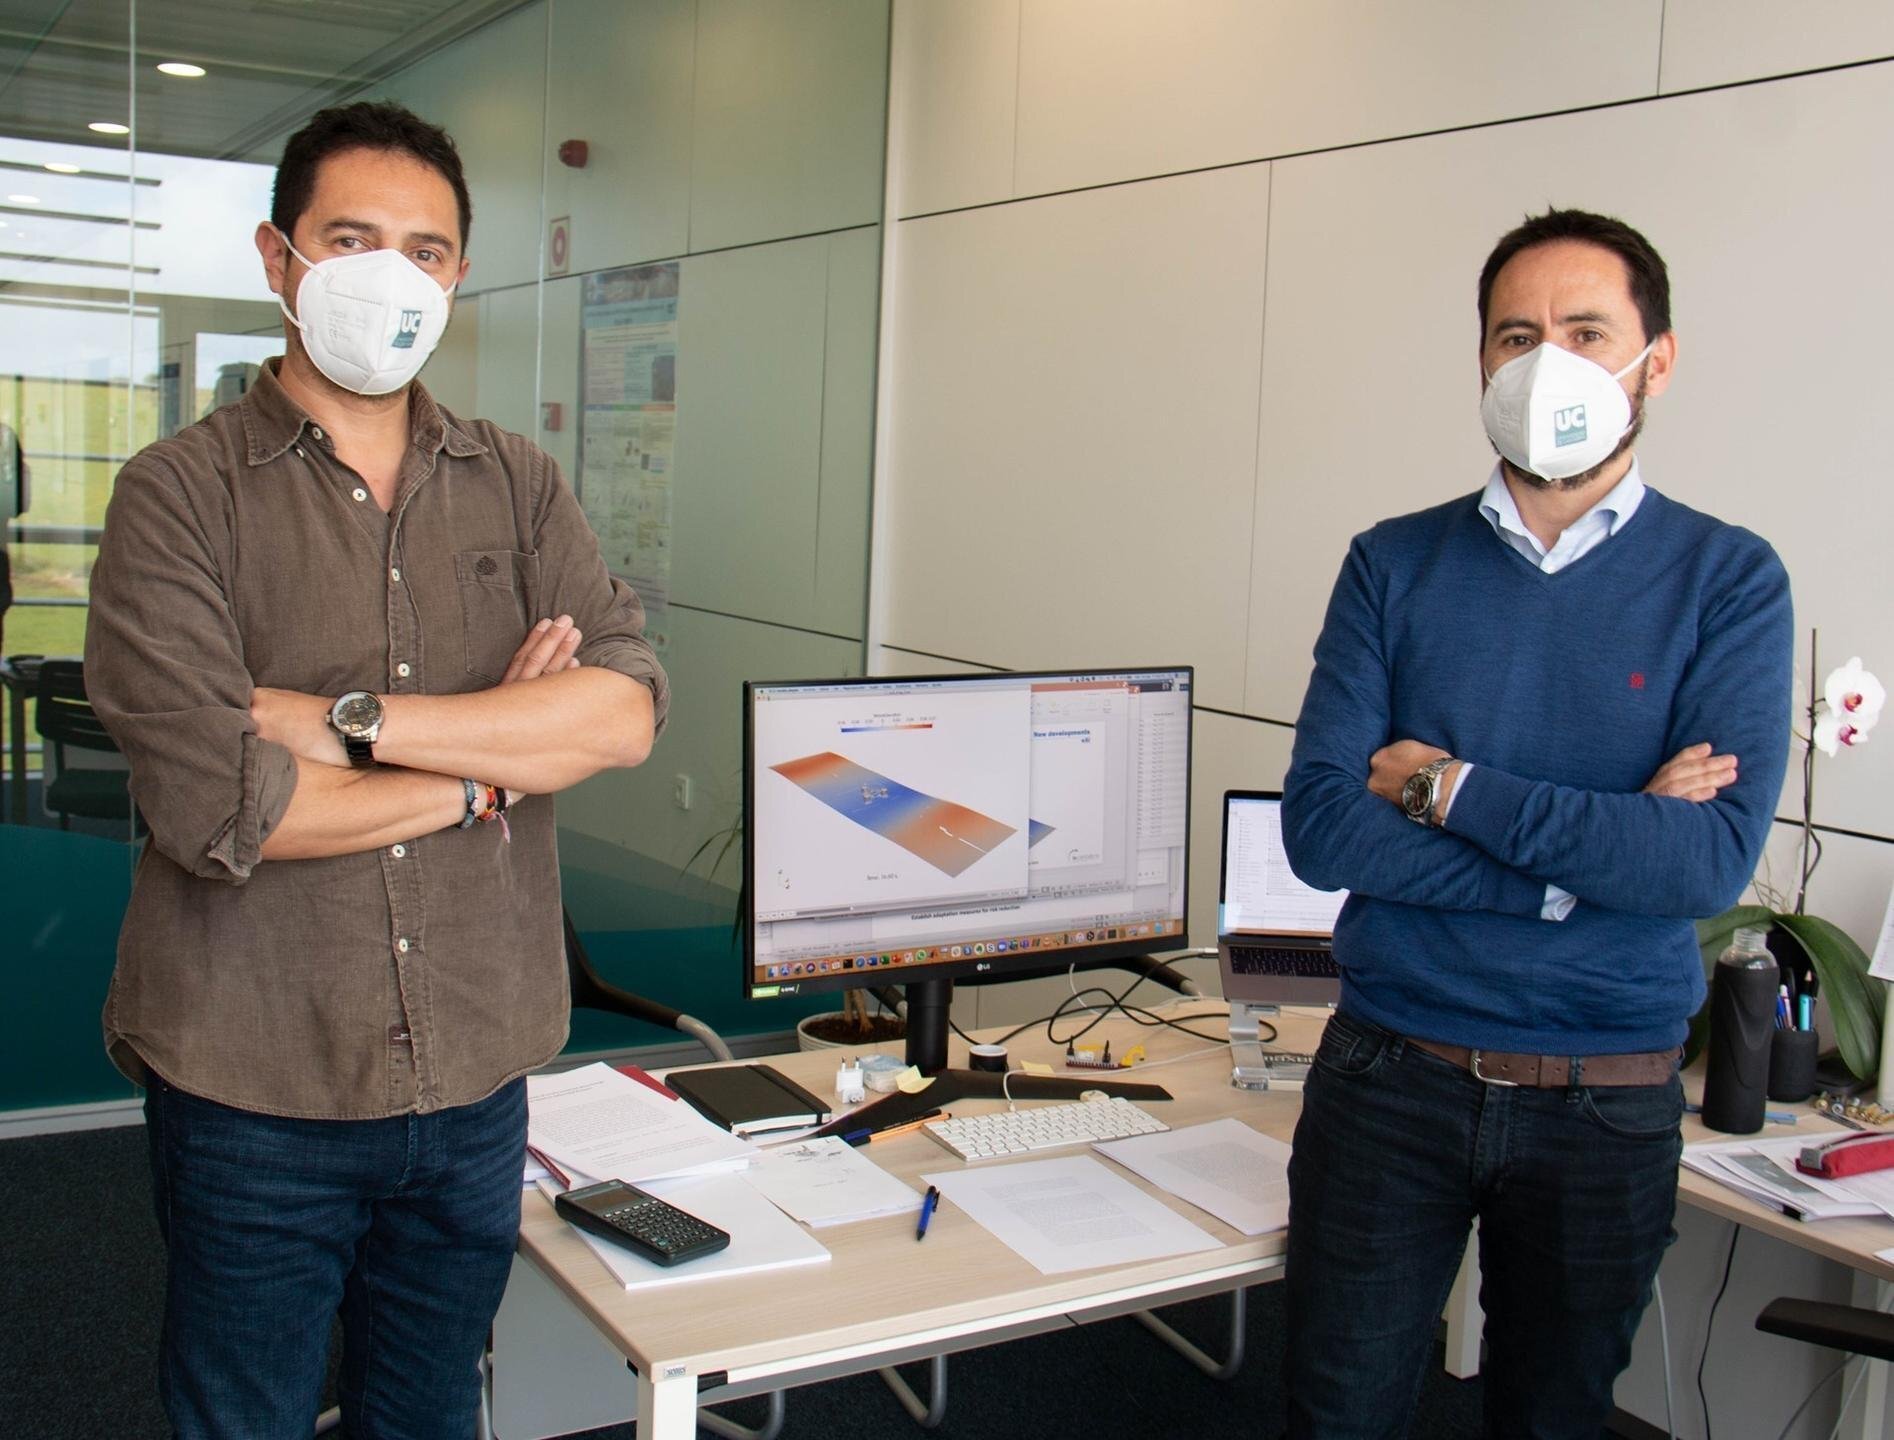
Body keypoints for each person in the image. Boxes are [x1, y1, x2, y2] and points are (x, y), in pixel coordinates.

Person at [84, 101, 668, 1439]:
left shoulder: (517, 483)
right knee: (244, 1414)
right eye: (351, 241)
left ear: (457, 276)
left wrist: (346, 722)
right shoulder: (176, 496)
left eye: (426, 250)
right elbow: (223, 809)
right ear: (278, 259)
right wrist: (490, 766)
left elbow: (622, 716)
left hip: (476, 1073)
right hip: (256, 1079)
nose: (391, 278)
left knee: (430, 1408)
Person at [1279, 208, 1792, 1438]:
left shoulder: (1728, 580)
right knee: (1334, 1416)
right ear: (1481, 361)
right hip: (1387, 1074)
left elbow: (1700, 862)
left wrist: (1449, 789)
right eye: (1517, 336)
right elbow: (1323, 830)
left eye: (1584, 331)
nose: (1546, 361)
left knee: (1553, 1423)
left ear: (1655, 360)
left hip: (1603, 1096)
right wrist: (1577, 866)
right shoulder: (1391, 564)